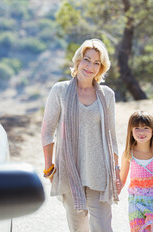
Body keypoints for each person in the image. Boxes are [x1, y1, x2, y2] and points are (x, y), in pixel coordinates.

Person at [41, 38, 122, 232]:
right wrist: (49, 168)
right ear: (78, 60)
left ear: (101, 68)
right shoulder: (60, 90)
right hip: (70, 173)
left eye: (97, 63)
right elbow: (47, 131)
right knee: (78, 229)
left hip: (100, 173)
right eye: (87, 59)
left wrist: (116, 170)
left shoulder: (107, 95)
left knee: (103, 228)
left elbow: (112, 136)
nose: (90, 66)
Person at [119, 111, 153, 232]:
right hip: (136, 203)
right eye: (137, 128)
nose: (141, 132)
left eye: (145, 128)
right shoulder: (129, 153)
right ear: (131, 131)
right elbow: (121, 180)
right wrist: (114, 189)